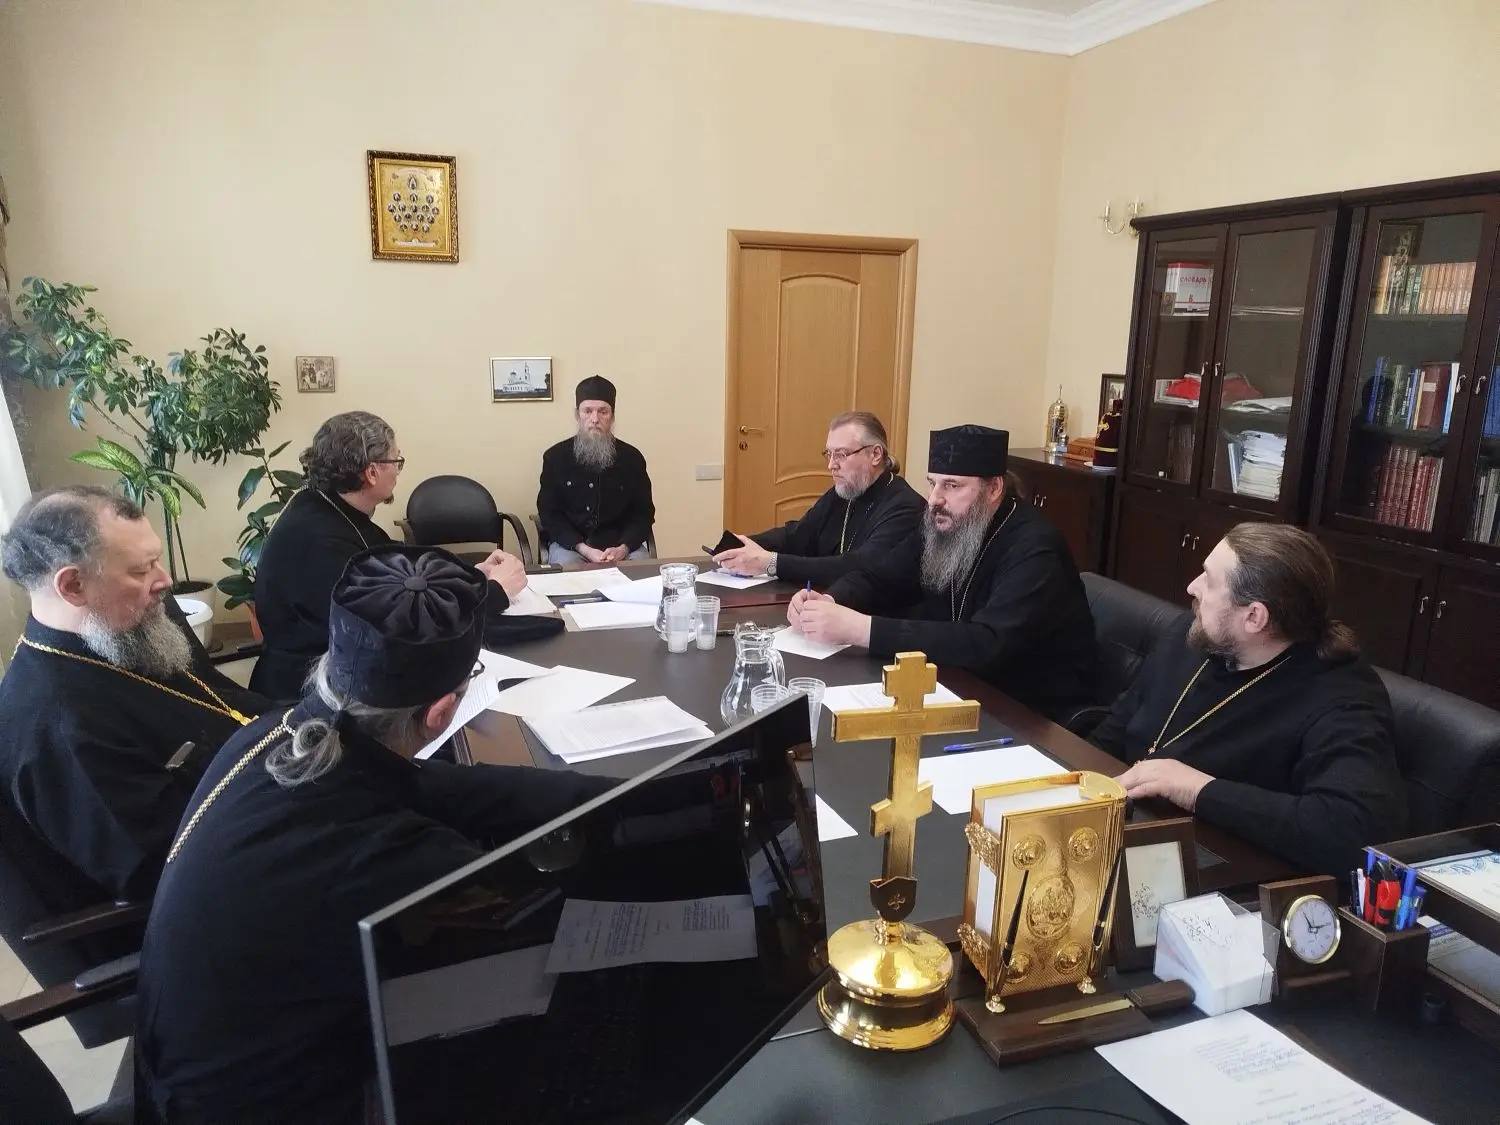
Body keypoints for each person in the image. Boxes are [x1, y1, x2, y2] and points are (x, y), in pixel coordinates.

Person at [135, 546, 616, 1125]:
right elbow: (543, 939)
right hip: (278, 1103)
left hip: (189, 1063)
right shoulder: (386, 854)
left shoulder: (280, 734)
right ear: (441, 712)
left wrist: (629, 794)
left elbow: (441, 786)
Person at [0, 486, 269, 904]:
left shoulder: (126, 629)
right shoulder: (58, 726)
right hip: (230, 891)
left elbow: (222, 703)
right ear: (73, 585)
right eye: (142, 570)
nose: (166, 580)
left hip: (267, 794)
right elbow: (168, 869)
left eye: (156, 560)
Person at [1092, 523, 1405, 877]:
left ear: (1254, 616)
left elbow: (1354, 830)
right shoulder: (1193, 635)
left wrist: (1197, 789)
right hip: (1123, 831)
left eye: (1209, 580)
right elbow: (1119, 724)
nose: (1192, 587)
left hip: (1219, 873)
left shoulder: (1343, 697)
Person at [787, 425, 1099, 723]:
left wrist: (860, 629)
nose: (935, 499)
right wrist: (830, 600)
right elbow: (881, 576)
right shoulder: (944, 523)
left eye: (952, 485)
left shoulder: (1035, 548)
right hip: (957, 683)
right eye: (932, 483)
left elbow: (988, 643)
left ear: (993, 488)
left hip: (1029, 710)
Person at [251, 411, 527, 699]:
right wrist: (493, 593)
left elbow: (396, 567)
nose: (398, 471)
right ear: (372, 473)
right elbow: (399, 628)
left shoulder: (321, 506)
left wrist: (469, 577)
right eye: (396, 461)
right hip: (312, 693)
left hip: (336, 670)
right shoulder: (321, 539)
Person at [713, 411, 924, 606]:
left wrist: (771, 563)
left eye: (841, 454)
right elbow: (799, 535)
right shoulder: (845, 492)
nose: (831, 465)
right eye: (829, 454)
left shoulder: (905, 507)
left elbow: (860, 567)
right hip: (824, 602)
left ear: (875, 454)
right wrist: (743, 545)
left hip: (873, 615)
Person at [536, 375, 655, 565]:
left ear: (612, 416)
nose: (595, 419)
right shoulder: (555, 457)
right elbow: (550, 514)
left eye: (603, 412)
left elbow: (643, 512)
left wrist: (623, 548)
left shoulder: (632, 458)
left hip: (620, 547)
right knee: (569, 569)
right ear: (578, 415)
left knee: (642, 569)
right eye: (588, 411)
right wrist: (583, 548)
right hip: (572, 547)